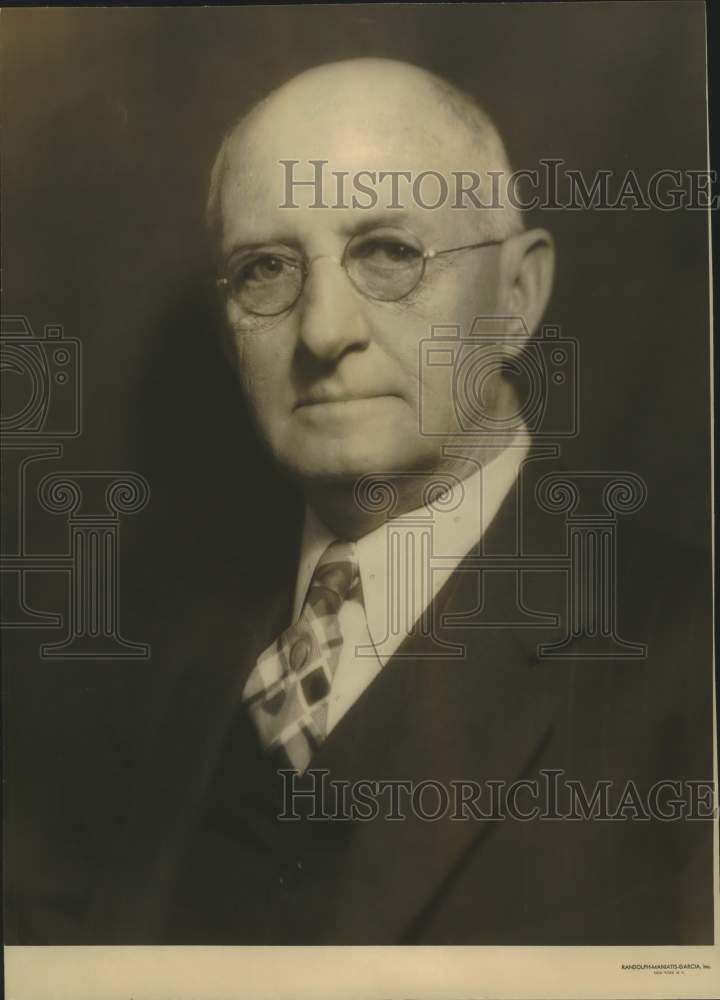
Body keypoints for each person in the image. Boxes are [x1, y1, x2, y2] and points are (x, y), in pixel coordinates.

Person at [8, 58, 713, 946]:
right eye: (266, 269)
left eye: (388, 252)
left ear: (518, 295)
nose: (322, 331)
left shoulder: (690, 653)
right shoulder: (153, 661)